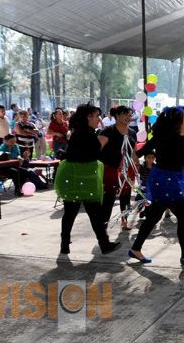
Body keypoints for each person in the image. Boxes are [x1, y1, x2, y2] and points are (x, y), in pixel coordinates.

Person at [129, 106, 184, 265]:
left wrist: (132, 150)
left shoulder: (160, 135)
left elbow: (138, 153)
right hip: (168, 182)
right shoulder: (174, 138)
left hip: (160, 179)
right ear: (177, 122)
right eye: (183, 119)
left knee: (154, 215)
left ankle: (136, 248)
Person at [54, 103, 121, 255]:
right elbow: (93, 153)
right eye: (97, 116)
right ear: (88, 117)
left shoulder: (79, 132)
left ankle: (65, 244)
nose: (99, 119)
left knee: (71, 212)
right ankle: (104, 244)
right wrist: (102, 142)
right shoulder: (87, 134)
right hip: (85, 178)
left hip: (73, 176)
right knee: (94, 213)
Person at [98, 105, 137, 231]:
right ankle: (103, 224)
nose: (128, 117)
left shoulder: (132, 132)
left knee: (126, 196)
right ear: (117, 115)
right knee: (109, 197)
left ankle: (124, 221)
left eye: (130, 115)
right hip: (111, 169)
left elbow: (134, 152)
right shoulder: (107, 131)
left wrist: (138, 165)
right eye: (125, 114)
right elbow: (97, 149)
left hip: (128, 169)